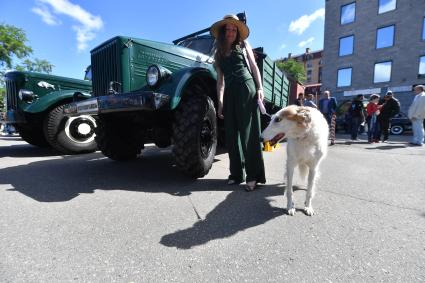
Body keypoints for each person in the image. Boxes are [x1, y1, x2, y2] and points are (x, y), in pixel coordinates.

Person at [211, 14, 266, 191]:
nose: (231, 32)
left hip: (245, 88)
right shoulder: (218, 53)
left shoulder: (243, 45)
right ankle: (236, 174)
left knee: (248, 134)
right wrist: (220, 102)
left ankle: (253, 176)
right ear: (222, 31)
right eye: (228, 29)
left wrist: (260, 87)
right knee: (232, 135)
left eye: (234, 29)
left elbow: (254, 66)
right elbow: (220, 81)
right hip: (230, 94)